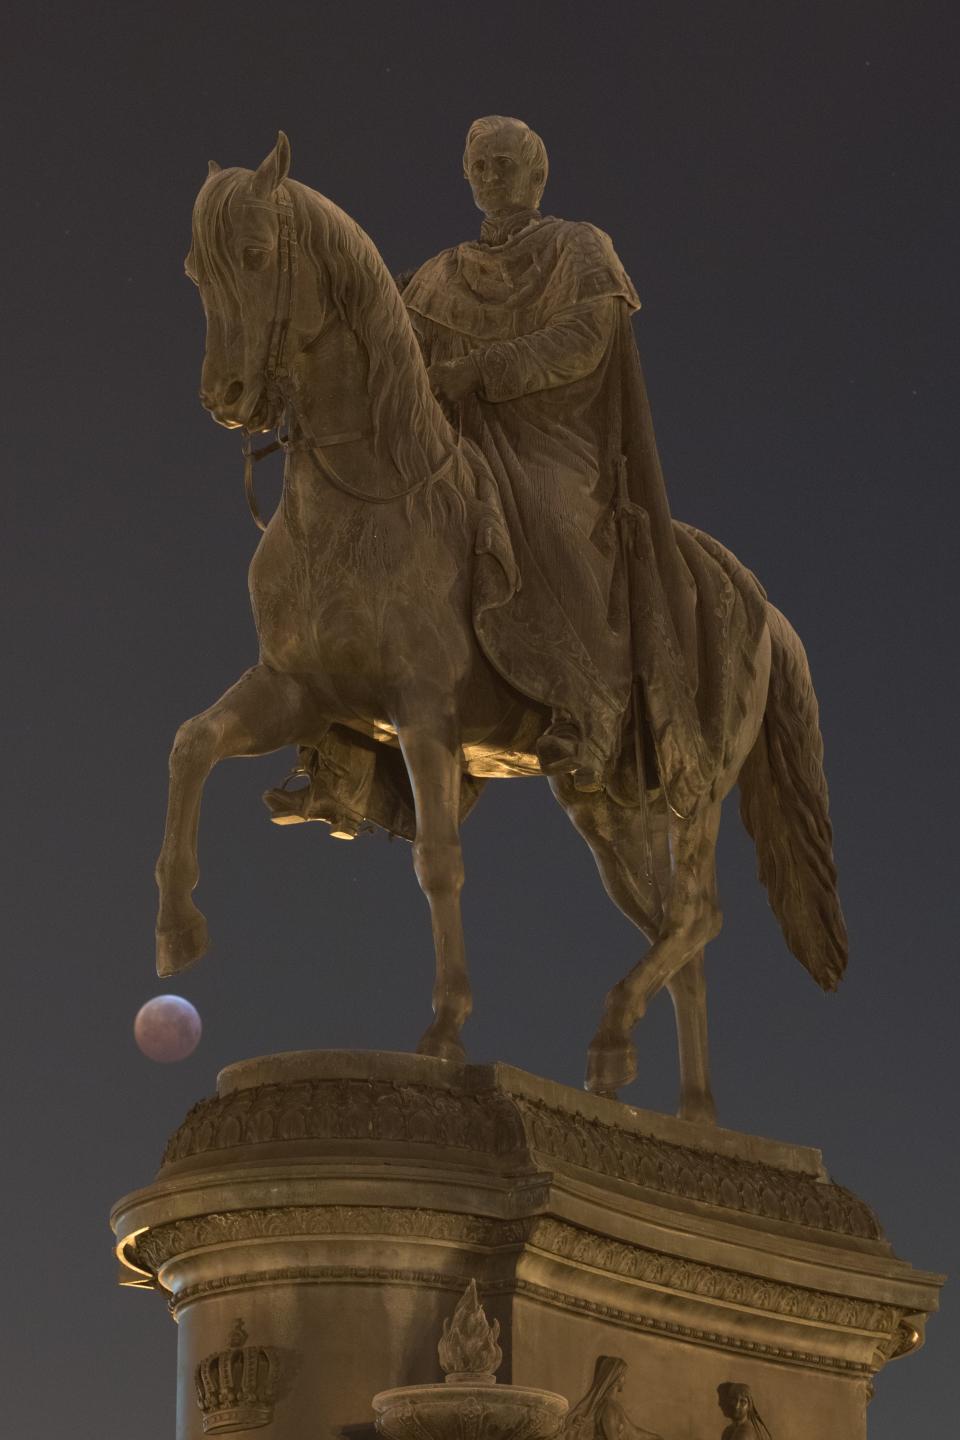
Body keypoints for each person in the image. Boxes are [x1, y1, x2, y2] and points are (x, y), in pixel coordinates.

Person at [402, 115, 699, 795]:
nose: (492, 176)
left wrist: (484, 367)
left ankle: (589, 709)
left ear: (538, 176)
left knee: (554, 521)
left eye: (505, 164)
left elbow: (584, 338)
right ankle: (348, 755)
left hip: (553, 438)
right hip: (457, 437)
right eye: (480, 165)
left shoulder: (579, 246)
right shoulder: (440, 274)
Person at [565, 1355, 662, 1440]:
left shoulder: (613, 1406)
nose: (625, 1380)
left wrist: (655, 1437)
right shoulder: (609, 1408)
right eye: (623, 1376)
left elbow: (633, 1432)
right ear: (617, 1378)